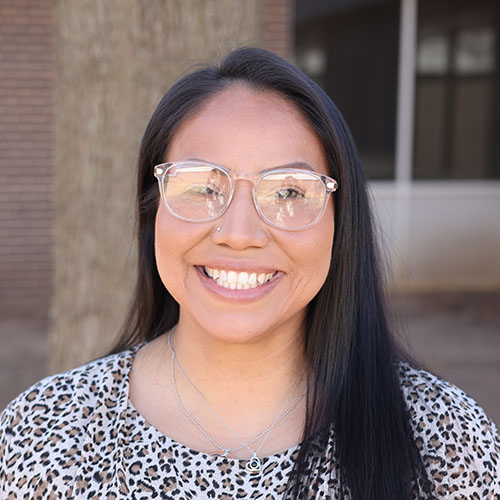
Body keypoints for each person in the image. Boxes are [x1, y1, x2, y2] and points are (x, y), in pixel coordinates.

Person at [1, 47, 499, 500]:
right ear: (153, 212)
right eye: (201, 186)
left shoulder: (447, 445)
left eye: (288, 192)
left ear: (340, 223)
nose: (239, 233)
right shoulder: (45, 435)